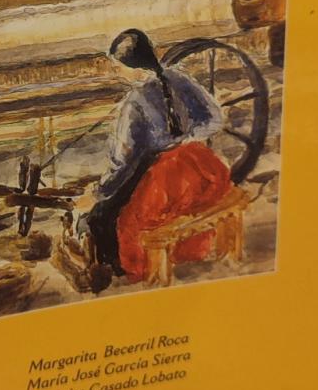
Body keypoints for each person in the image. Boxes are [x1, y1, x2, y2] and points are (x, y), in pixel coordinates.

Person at [79, 29, 231, 282]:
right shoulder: (180, 79)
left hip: (163, 182)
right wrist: (185, 142)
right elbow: (214, 118)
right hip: (199, 170)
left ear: (133, 68)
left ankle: (121, 270)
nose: (116, 71)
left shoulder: (134, 103)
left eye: (118, 66)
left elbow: (124, 161)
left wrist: (97, 193)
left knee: (100, 218)